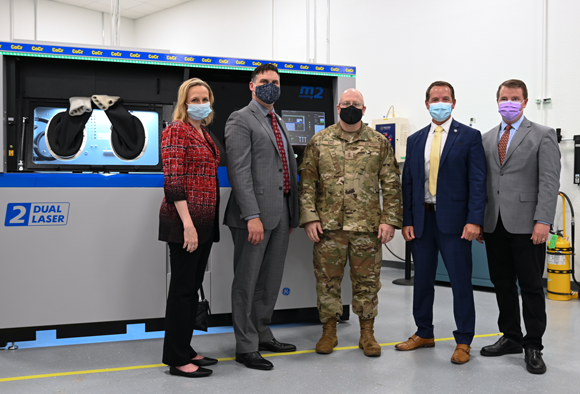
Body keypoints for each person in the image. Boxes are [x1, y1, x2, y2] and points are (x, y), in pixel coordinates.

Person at [299, 88, 402, 357]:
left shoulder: (379, 142)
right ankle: (329, 332)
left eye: (356, 104)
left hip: (366, 227)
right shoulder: (319, 141)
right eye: (346, 103)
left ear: (364, 110)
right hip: (328, 227)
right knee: (327, 282)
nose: (351, 107)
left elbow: (391, 184)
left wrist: (389, 220)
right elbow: (307, 183)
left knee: (367, 282)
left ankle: (367, 334)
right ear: (338, 107)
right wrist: (309, 217)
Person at [397, 81, 486, 364]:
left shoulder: (470, 137)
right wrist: (407, 220)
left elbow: (477, 182)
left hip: (456, 224)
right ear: (426, 104)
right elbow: (408, 183)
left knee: (461, 283)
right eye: (435, 98)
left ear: (454, 103)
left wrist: (474, 220)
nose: (440, 102)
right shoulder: (415, 139)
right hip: (422, 221)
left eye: (445, 98)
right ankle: (424, 332)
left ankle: (463, 341)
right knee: (422, 281)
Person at [479, 79, 561, 374]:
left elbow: (550, 182)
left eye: (515, 98)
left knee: (530, 287)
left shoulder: (543, 135)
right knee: (501, 284)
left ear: (525, 102)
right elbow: (483, 183)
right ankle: (511, 336)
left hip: (528, 225)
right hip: (494, 224)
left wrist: (543, 221)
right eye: (504, 98)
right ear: (497, 101)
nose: (509, 102)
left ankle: (534, 345)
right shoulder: (487, 138)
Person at [224, 64, 299, 371]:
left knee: (270, 281)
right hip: (252, 215)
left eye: (275, 82)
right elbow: (239, 171)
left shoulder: (277, 119)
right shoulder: (241, 119)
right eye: (265, 81)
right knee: (247, 281)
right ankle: (245, 346)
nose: (271, 86)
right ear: (252, 86)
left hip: (281, 212)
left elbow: (284, 167)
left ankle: (263, 333)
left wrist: (291, 214)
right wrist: (251, 215)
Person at [158, 78, 221, 378]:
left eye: (204, 98)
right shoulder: (176, 131)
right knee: (182, 290)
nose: (200, 104)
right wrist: (188, 225)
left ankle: (186, 347)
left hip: (204, 221)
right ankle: (176, 358)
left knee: (191, 287)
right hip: (185, 222)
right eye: (194, 100)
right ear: (183, 104)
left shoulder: (203, 132)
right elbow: (173, 181)